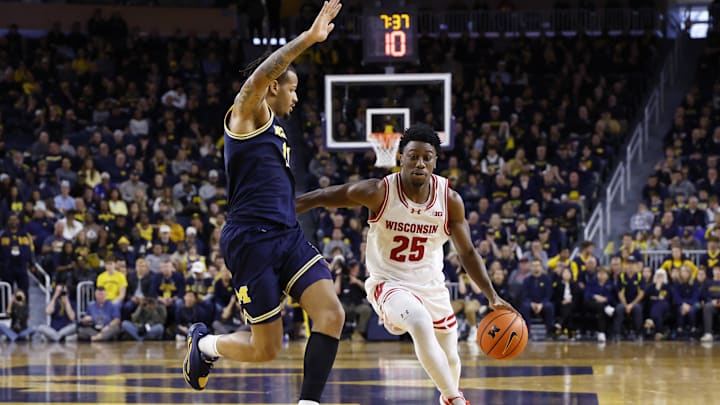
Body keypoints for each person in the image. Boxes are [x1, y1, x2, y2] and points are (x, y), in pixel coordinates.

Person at [183, 3, 345, 405]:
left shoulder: (277, 129)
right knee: (266, 348)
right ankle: (204, 347)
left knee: (332, 316)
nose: (296, 94)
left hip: (287, 235)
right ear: (274, 86)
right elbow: (256, 78)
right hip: (251, 241)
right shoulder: (247, 115)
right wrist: (309, 38)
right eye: (291, 87)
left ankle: (308, 402)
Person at [296, 125, 514, 405]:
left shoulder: (449, 200)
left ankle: (448, 396)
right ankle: (457, 400)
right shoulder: (379, 192)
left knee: (450, 358)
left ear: (435, 161)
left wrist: (491, 295)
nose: (420, 163)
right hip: (389, 283)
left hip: (431, 286)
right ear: (400, 158)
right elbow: (325, 196)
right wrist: (287, 207)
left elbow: (468, 253)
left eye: (427, 157)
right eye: (413, 156)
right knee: (419, 322)